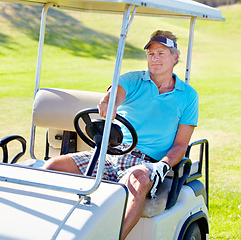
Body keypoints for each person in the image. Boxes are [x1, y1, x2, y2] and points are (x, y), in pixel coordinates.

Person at [43, 30, 199, 239]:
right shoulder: (134, 79)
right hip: (110, 154)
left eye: (161, 53)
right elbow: (115, 93)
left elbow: (181, 144)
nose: (155, 58)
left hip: (146, 163)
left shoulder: (188, 96)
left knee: (139, 180)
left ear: (175, 58)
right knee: (52, 167)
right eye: (151, 54)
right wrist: (109, 102)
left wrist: (163, 165)